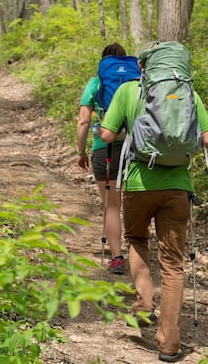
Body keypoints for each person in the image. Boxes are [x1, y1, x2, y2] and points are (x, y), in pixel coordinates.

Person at [99, 43, 208, 363]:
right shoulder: (188, 93)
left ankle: (144, 302)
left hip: (138, 184)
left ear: (144, 67)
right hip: (178, 187)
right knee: (173, 265)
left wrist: (110, 125)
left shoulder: (127, 91)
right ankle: (169, 344)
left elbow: (107, 136)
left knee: (136, 239)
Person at [75, 42, 130, 274]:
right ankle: (140, 250)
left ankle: (117, 256)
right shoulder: (136, 83)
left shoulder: (95, 83)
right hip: (135, 148)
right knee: (135, 202)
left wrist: (80, 151)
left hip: (103, 148)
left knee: (111, 206)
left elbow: (84, 121)